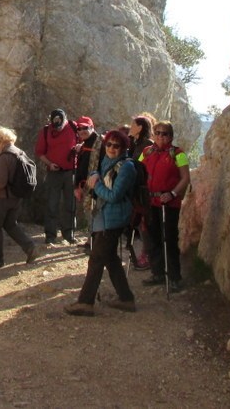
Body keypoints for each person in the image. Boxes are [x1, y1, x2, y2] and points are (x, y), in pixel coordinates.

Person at [65, 129, 138, 316]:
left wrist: (95, 184)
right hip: (102, 218)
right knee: (110, 258)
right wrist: (93, 179)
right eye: (109, 144)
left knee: (96, 259)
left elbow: (114, 196)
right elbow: (98, 175)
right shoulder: (106, 161)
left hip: (113, 219)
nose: (112, 148)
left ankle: (85, 302)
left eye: (117, 145)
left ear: (123, 148)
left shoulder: (127, 167)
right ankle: (126, 299)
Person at [141, 121, 191, 291]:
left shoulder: (178, 154)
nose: (161, 136)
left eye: (165, 133)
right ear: (153, 134)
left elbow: (185, 178)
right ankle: (158, 273)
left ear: (171, 136)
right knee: (152, 239)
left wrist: (172, 194)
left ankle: (175, 277)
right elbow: (138, 170)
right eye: (158, 132)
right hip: (150, 201)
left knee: (168, 239)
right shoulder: (147, 152)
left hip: (168, 203)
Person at [0, 127, 39, 268]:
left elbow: (0, 182)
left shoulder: (5, 156)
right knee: (10, 224)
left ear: (0, 141)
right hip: (16, 197)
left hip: (2, 198)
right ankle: (30, 246)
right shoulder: (20, 152)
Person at [35, 108, 79, 246]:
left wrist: (80, 147)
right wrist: (50, 163)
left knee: (70, 204)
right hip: (54, 172)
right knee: (51, 204)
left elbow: (85, 138)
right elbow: (40, 152)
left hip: (71, 171)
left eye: (60, 123)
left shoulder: (73, 127)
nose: (58, 127)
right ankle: (50, 235)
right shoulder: (46, 131)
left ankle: (69, 233)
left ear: (65, 119)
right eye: (55, 124)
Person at [127, 113, 156, 270]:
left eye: (133, 124)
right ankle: (146, 254)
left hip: (144, 190)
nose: (130, 127)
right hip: (136, 188)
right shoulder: (136, 143)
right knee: (139, 223)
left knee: (145, 223)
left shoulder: (148, 144)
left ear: (140, 127)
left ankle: (149, 255)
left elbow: (146, 167)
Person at [72, 117, 100, 250]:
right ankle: (91, 240)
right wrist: (77, 186)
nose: (82, 131)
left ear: (92, 127)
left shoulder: (101, 143)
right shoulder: (85, 144)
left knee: (94, 215)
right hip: (86, 186)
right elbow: (81, 167)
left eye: (85, 128)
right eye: (79, 128)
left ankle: (95, 243)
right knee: (89, 214)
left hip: (97, 187)